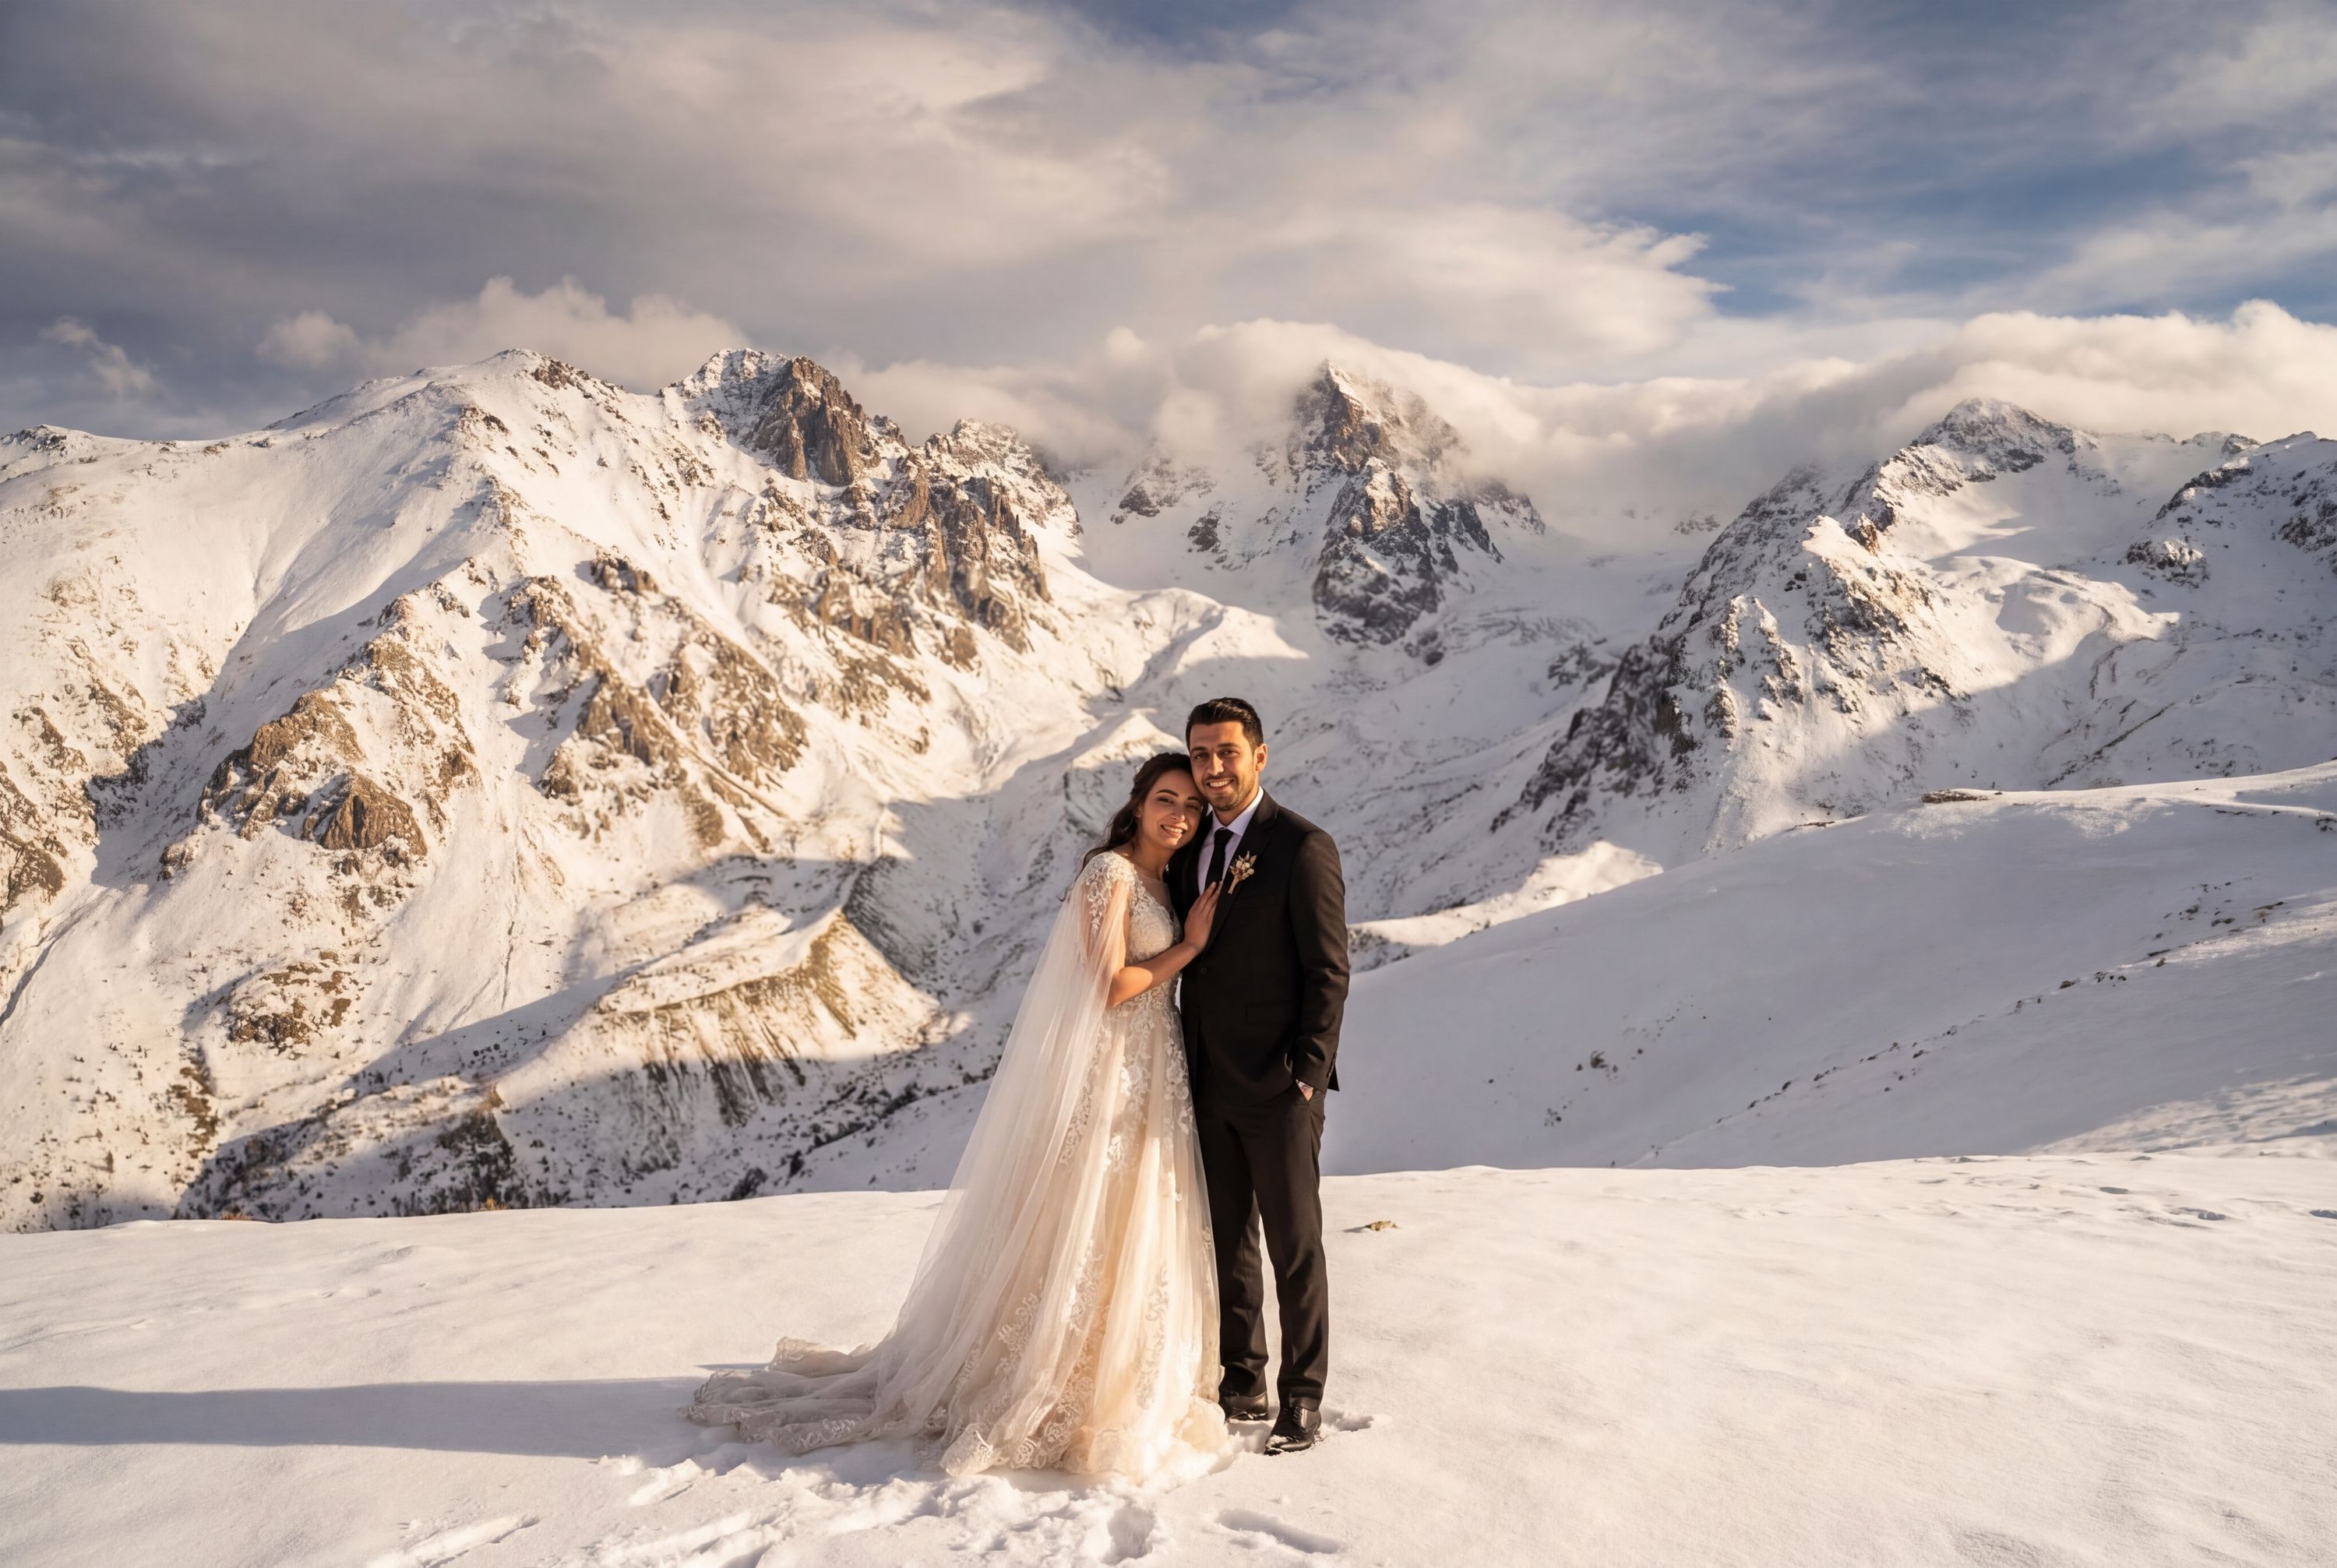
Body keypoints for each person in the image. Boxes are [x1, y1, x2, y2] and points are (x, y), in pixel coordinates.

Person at [685, 752, 1232, 1480]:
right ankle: (1047, 1374)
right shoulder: (1111, 874)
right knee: (1084, 1220)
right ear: (1137, 804)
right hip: (1109, 1071)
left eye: (1193, 807)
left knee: (1132, 1219)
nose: (1181, 816)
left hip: (1150, 1074)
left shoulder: (1167, 878)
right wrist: (1191, 946)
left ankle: (1123, 1371)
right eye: (1168, 800)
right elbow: (1107, 984)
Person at [1168, 697, 1349, 1456]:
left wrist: (1305, 1074)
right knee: (1227, 1243)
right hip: (1206, 1081)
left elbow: (1328, 971)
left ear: (1260, 756)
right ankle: (1242, 1379)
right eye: (1201, 754)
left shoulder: (1301, 847)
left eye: (1227, 753)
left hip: (1278, 1091)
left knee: (1293, 1246)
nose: (1213, 768)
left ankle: (1301, 1399)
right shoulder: (1187, 849)